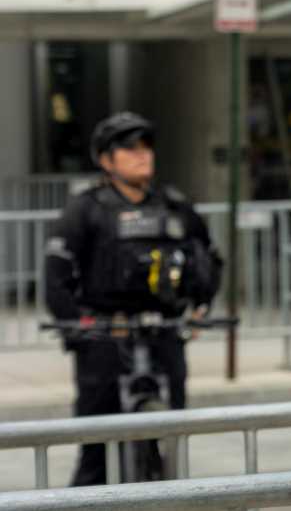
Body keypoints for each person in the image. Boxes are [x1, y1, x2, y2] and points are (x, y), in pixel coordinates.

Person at [43, 112, 222, 486]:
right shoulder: (86, 209)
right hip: (105, 337)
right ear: (106, 160)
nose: (142, 156)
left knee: (172, 435)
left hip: (164, 333)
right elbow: (56, 275)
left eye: (146, 148)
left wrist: (201, 304)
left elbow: (208, 256)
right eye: (129, 149)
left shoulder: (174, 205)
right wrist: (77, 326)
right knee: (94, 448)